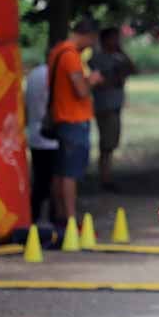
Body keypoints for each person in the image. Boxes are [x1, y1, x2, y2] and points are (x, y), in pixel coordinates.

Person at [47, 17, 104, 222]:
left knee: (61, 171)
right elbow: (80, 90)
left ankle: (60, 214)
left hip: (62, 119)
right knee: (70, 172)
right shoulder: (70, 55)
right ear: (88, 35)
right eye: (92, 40)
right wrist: (93, 80)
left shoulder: (57, 51)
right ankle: (70, 217)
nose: (92, 45)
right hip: (74, 120)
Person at [88, 26, 137, 191]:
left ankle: (107, 175)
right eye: (113, 38)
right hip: (105, 106)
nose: (117, 42)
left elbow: (133, 69)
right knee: (106, 144)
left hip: (115, 106)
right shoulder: (98, 58)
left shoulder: (118, 57)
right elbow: (100, 81)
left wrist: (122, 52)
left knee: (112, 143)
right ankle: (105, 178)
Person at [24, 62, 58, 224]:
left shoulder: (32, 75)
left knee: (39, 179)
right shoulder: (55, 75)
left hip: (34, 133)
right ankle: (54, 216)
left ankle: (33, 215)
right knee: (53, 179)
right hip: (52, 136)